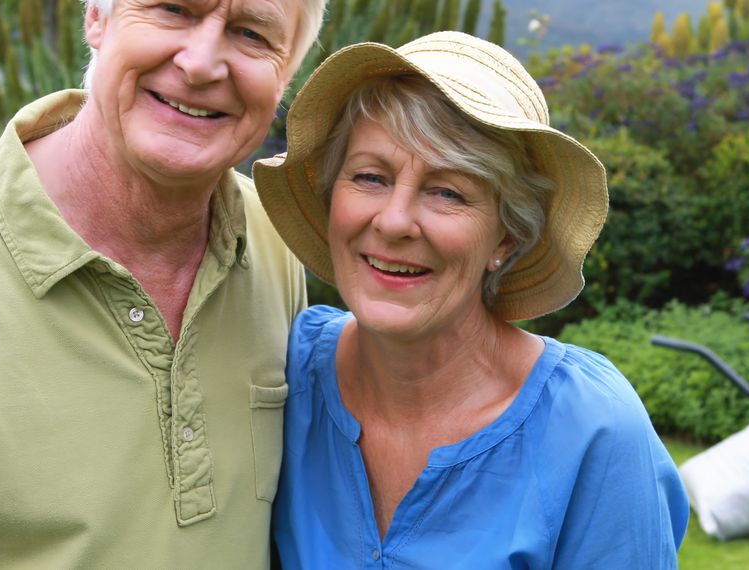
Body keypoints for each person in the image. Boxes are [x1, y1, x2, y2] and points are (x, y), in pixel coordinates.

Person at [0, 0, 325, 567]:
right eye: (173, 10)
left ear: (287, 73)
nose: (202, 62)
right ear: (95, 17)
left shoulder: (273, 243)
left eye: (251, 33)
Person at [254, 31, 689, 569]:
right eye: (370, 177)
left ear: (505, 238)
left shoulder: (593, 432)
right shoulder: (288, 374)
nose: (393, 222)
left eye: (448, 192)